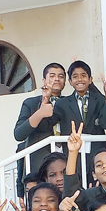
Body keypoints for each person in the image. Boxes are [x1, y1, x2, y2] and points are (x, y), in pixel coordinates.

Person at [14, 62, 68, 192]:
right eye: (52, 75)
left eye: (61, 76)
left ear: (66, 81)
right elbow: (19, 134)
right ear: (44, 80)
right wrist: (40, 113)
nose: (57, 79)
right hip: (39, 165)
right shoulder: (31, 103)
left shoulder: (70, 103)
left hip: (67, 163)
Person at [51, 61, 106, 167]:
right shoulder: (62, 104)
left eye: (83, 75)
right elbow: (48, 123)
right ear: (70, 81)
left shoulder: (99, 99)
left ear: (90, 80)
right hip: (73, 156)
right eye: (75, 76)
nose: (80, 79)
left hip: (97, 155)